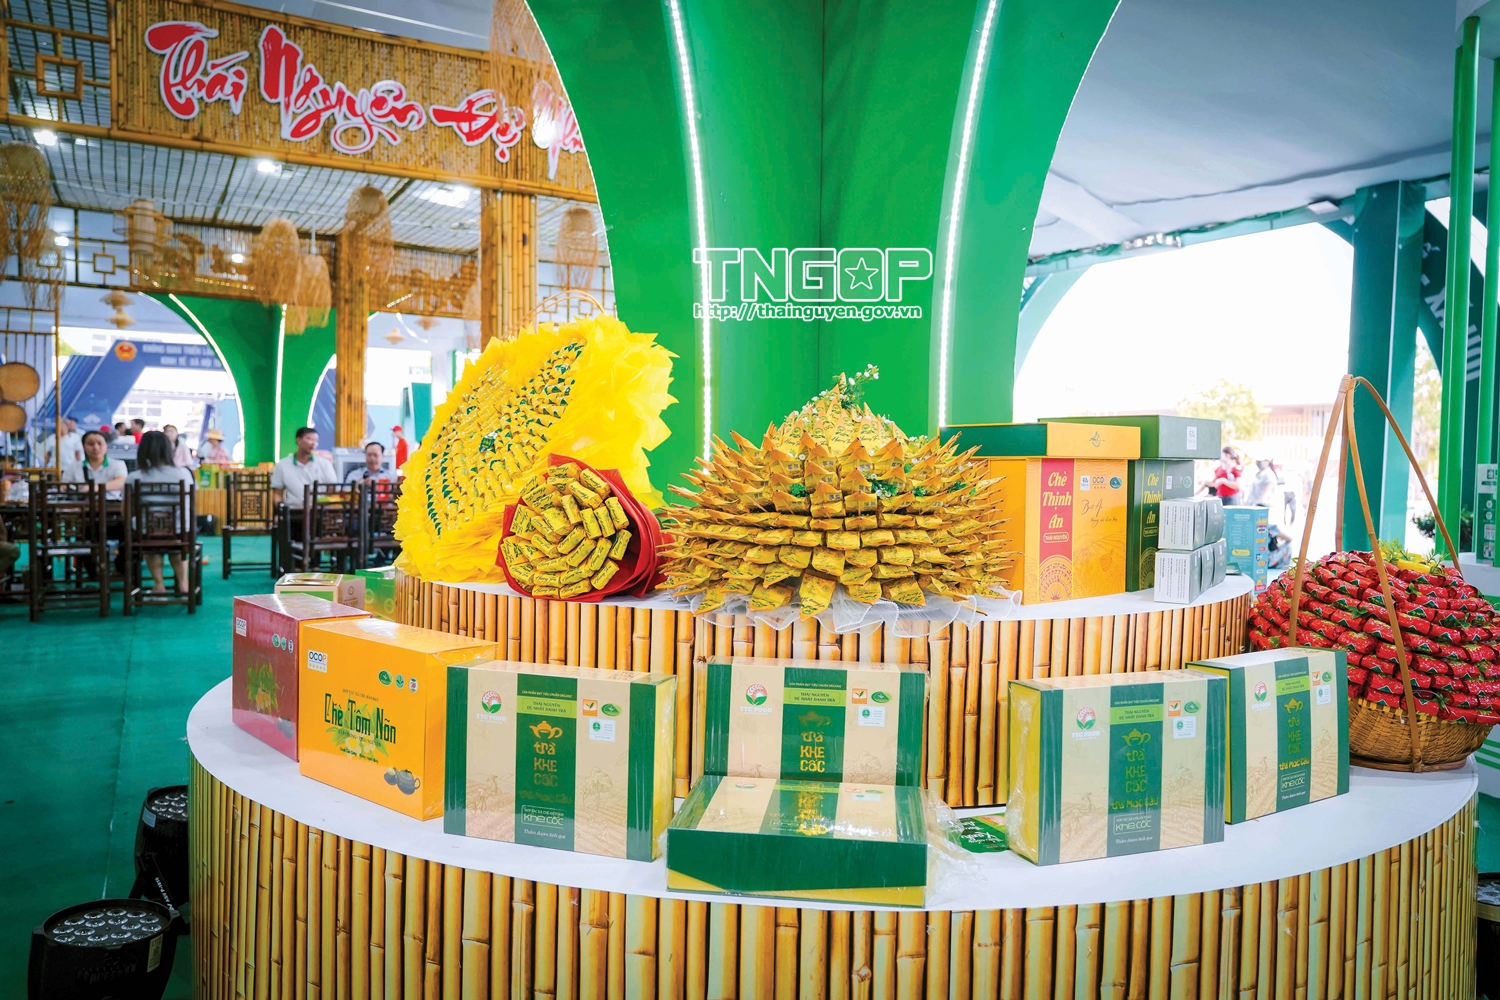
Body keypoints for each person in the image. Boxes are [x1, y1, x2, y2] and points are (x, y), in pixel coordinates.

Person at [126, 430, 195, 595]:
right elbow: (192, 505)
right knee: (177, 546)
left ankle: (159, 585)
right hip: (181, 533)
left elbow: (126, 511)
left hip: (147, 534)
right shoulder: (184, 474)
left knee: (151, 545)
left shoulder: (134, 477)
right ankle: (183, 583)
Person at [271, 426, 338, 509]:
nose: (314, 443)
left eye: (316, 441)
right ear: (298, 440)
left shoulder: (325, 464)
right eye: (309, 439)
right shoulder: (282, 465)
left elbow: (332, 489)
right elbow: (278, 493)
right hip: (293, 510)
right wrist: (280, 511)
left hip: (320, 510)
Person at [63, 430, 127, 492]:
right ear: (83, 446)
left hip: (110, 499)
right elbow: (63, 486)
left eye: (100, 443)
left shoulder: (118, 464)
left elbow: (120, 483)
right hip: (81, 499)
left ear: (106, 445)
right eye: (90, 444)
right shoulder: (73, 467)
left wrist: (93, 488)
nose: (96, 447)